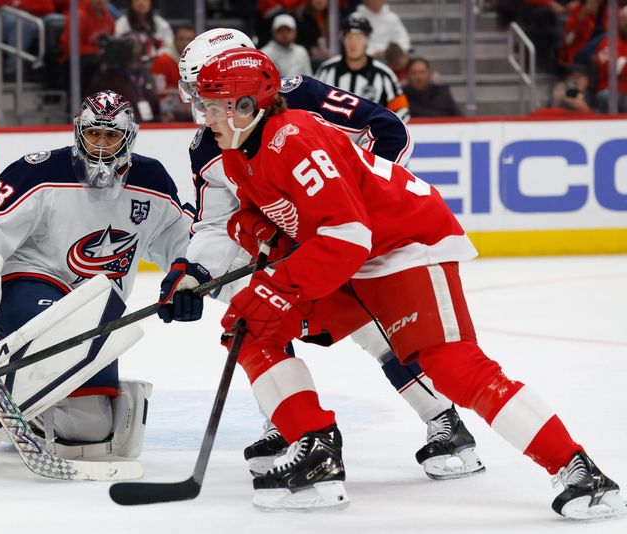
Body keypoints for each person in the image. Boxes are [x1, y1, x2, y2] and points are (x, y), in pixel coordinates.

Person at [193, 46, 627, 519]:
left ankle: (580, 470)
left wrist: (278, 285)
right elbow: (263, 218)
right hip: (355, 256)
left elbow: (346, 235)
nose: (205, 117)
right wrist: (254, 234)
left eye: (213, 106)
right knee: (250, 326)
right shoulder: (239, 154)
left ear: (246, 106)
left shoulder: (295, 137)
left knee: (452, 365)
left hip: (406, 244)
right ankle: (315, 449)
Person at [159, 28, 485, 482]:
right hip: (293, 248)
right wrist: (191, 271)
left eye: (206, 88)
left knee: (380, 330)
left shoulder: (300, 97)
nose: (200, 103)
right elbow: (217, 222)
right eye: (195, 91)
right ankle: (289, 425)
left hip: (348, 237)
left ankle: (444, 422)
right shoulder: (205, 146)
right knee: (258, 316)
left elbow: (387, 131)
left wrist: (352, 213)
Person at [0, 91, 193, 474]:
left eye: (112, 137)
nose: (101, 145)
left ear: (129, 138)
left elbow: (184, 239)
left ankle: (18, 409)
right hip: (29, 282)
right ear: (79, 132)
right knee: (59, 333)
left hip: (94, 309)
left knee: (89, 431)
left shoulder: (151, 180)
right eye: (94, 134)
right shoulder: (40, 171)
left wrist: (190, 276)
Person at [315, 15, 409, 121]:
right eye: (349, 37)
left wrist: (382, 130)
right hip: (331, 135)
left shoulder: (384, 74)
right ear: (343, 40)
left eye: (358, 37)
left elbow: (402, 110)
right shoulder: (326, 70)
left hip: (370, 136)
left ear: (367, 40)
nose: (353, 43)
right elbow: (310, 103)